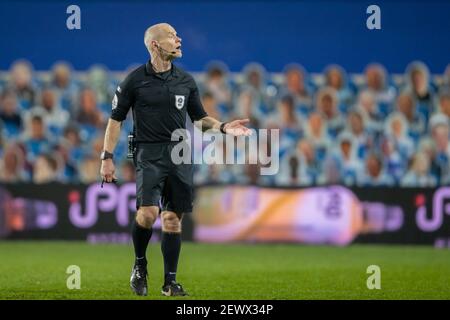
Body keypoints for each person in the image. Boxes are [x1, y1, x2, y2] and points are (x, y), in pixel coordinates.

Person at [99, 23, 251, 297]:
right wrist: (107, 157)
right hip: (149, 154)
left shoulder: (186, 81)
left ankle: (170, 283)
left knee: (172, 220)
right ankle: (140, 264)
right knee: (148, 213)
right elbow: (115, 121)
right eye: (171, 36)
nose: (179, 39)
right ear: (155, 45)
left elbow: (200, 119)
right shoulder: (133, 81)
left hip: (180, 155)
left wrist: (225, 127)